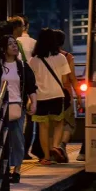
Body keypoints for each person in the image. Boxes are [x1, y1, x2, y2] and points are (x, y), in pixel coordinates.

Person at [0, 34, 37, 183]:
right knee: (1, 140)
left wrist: (34, 102)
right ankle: (2, 169)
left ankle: (16, 169)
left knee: (17, 138)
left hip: (18, 106)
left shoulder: (23, 66)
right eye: (10, 44)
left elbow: (31, 86)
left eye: (15, 44)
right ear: (3, 48)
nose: (14, 46)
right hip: (0, 108)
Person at [31, 27, 77, 164]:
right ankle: (56, 146)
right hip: (57, 95)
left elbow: (31, 80)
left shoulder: (34, 60)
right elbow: (64, 81)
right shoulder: (61, 58)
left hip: (40, 97)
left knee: (43, 127)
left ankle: (46, 157)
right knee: (59, 123)